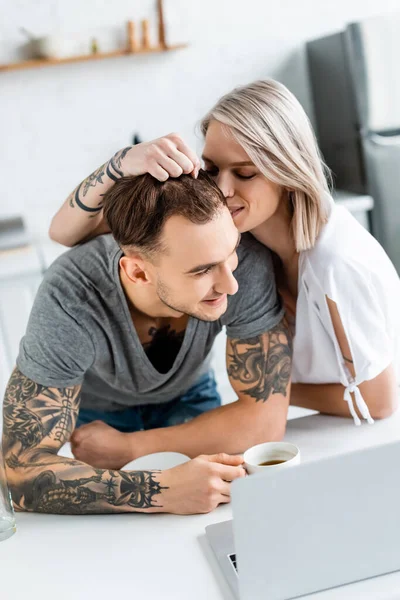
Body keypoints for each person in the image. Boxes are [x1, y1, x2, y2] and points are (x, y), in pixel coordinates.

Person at [50, 79, 400, 428]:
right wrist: (119, 164)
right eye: (213, 170)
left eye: (245, 173)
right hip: (316, 425)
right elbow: (64, 232)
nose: (222, 189)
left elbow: (379, 400)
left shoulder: (334, 262)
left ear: (288, 170)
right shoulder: (239, 235)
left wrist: (263, 391)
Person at [3, 171, 292, 516]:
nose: (230, 285)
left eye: (231, 252)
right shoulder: (71, 295)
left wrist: (129, 449)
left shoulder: (244, 265)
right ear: (137, 272)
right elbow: (16, 470)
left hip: (189, 397)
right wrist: (160, 492)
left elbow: (264, 423)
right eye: (202, 271)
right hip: (99, 419)